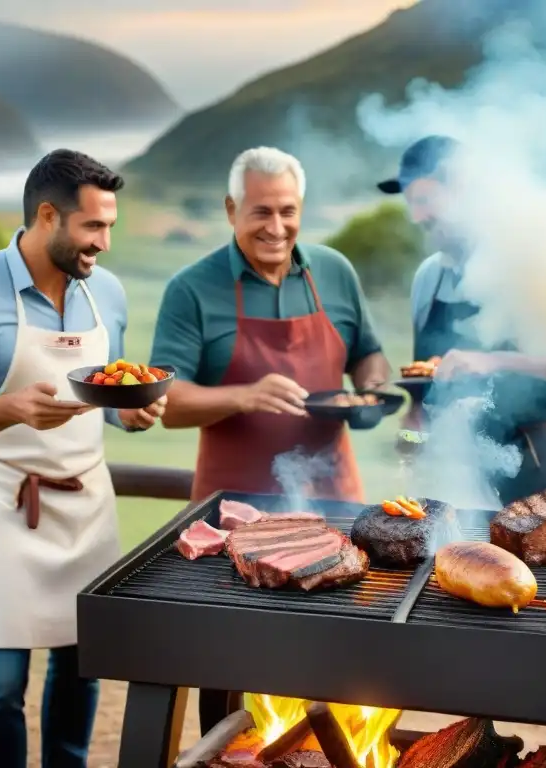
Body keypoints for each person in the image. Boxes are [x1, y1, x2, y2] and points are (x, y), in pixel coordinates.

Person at [0, 149, 166, 768]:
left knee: (81, 672)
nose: (104, 243)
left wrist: (126, 412)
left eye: (111, 227)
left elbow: (101, 393)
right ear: (47, 215)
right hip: (4, 507)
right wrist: (8, 408)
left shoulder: (109, 294)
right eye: (93, 227)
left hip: (87, 505)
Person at [149, 146, 390, 734]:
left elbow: (369, 356)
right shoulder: (192, 289)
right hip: (231, 516)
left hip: (334, 504)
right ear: (232, 209)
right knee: (227, 665)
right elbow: (167, 404)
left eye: (287, 211)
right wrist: (243, 395)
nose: (276, 227)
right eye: (260, 212)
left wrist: (371, 392)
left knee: (339, 664)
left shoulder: (335, 272)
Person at [378, 135, 546, 502]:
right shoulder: (429, 277)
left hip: (540, 461)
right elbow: (425, 381)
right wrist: (414, 427)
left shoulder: (534, 253)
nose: (416, 216)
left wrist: (491, 361)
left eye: (424, 200)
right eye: (410, 202)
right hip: (456, 470)